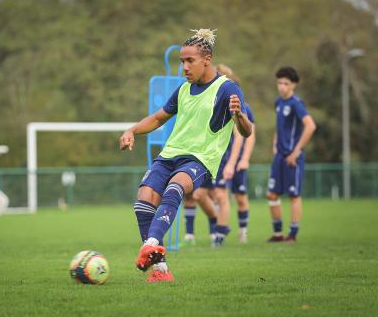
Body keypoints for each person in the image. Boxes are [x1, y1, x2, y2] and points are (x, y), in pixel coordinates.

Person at [119, 29, 252, 282]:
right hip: (170, 154)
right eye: (182, 61)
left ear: (207, 59)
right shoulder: (183, 89)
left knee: (174, 188)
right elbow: (158, 118)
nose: (184, 67)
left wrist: (239, 116)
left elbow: (246, 132)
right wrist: (132, 130)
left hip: (200, 158)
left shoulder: (227, 89)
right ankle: (160, 271)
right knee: (143, 200)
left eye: (190, 61)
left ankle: (151, 243)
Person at [184, 65, 256, 246]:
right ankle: (219, 224)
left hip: (223, 158)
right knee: (199, 194)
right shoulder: (208, 100)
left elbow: (243, 135)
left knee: (224, 195)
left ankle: (221, 235)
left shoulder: (234, 101)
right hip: (206, 156)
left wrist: (235, 162)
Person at [266, 66, 316, 243]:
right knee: (272, 194)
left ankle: (292, 234)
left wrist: (296, 151)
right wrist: (275, 142)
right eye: (279, 83)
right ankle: (278, 234)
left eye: (286, 83)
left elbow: (310, 126)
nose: (282, 86)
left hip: (292, 157)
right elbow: (280, 127)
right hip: (279, 156)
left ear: (293, 85)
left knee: (294, 195)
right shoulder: (278, 102)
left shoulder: (296, 103)